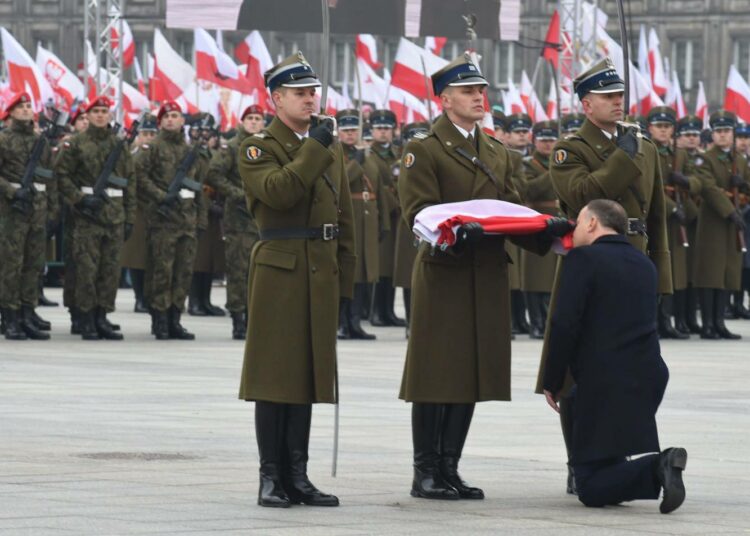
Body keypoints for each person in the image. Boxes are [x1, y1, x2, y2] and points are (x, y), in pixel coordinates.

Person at [398, 53, 570, 501]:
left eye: (481, 90)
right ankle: (426, 471)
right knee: (437, 373)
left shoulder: (496, 150)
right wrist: (456, 232)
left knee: (472, 371)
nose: (479, 97)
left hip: (488, 273)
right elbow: (417, 214)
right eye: (469, 91)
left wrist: (544, 231)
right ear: (444, 98)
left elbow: (509, 212)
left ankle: (450, 467)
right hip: (447, 273)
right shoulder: (425, 148)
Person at [536, 58, 672, 496]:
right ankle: (581, 461)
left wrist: (661, 279)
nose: (618, 103)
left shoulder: (643, 145)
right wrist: (622, 158)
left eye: (620, 96)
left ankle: (616, 452)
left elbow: (656, 217)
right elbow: (581, 197)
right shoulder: (570, 147)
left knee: (634, 366)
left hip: (634, 263)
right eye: (608, 97)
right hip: (592, 261)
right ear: (586, 103)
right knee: (581, 366)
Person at [237, 52, 356, 508]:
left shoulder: (329, 145)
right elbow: (279, 192)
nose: (310, 100)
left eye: (313, 92)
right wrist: (314, 147)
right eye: (300, 93)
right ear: (276, 98)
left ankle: (298, 475)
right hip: (280, 268)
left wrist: (346, 281)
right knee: (274, 377)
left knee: (306, 375)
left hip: (320, 268)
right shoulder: (257, 146)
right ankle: (271, 475)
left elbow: (341, 213)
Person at [543, 199, 687, 514]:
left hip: (604, 380)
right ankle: (658, 468)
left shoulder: (583, 259)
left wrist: (552, 380)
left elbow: (564, 324)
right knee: (605, 466)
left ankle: (660, 465)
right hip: (646, 374)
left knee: (590, 487)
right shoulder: (643, 263)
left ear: (593, 223)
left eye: (579, 222)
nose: (575, 229)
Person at [56, 96, 135, 340]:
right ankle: (86, 317)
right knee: (87, 271)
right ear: (88, 116)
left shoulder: (118, 146)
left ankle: (102, 315)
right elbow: (62, 176)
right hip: (87, 216)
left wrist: (129, 217)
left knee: (109, 271)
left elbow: (129, 183)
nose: (100, 115)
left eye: (104, 111)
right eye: (96, 111)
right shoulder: (77, 144)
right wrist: (79, 199)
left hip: (114, 215)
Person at [136, 101, 209, 340]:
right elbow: (140, 177)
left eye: (175, 115)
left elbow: (199, 187)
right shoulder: (153, 148)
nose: (170, 120)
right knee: (162, 271)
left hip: (187, 220)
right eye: (166, 116)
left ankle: (175, 318)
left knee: (183, 272)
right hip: (163, 221)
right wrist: (161, 196)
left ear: (182, 121)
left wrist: (200, 219)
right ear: (160, 121)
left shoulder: (190, 151)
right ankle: (160, 320)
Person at [0, 92, 57, 340]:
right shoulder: (3, 140)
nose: (25, 110)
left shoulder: (39, 141)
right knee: (11, 266)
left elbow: (48, 175)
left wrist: (51, 209)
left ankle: (26, 312)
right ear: (10, 113)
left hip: (36, 209)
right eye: (20, 107)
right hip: (11, 211)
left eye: (27, 106)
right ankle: (10, 317)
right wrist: (12, 191)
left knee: (33, 265)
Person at [205, 105, 261, 340]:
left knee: (258, 273)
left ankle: (254, 318)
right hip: (238, 218)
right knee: (239, 271)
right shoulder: (233, 147)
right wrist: (237, 194)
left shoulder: (268, 146)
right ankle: (238, 319)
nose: (254, 122)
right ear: (243, 121)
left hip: (261, 219)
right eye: (250, 118)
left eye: (258, 119)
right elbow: (214, 174)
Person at [693, 111, 750, 339]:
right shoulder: (705, 158)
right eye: (718, 132)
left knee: (727, 273)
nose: (723, 136)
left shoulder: (739, 160)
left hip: (732, 225)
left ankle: (719, 323)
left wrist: (743, 183)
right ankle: (708, 324)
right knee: (711, 274)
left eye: (727, 131)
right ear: (713, 134)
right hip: (714, 223)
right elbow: (708, 187)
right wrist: (729, 211)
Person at [647, 107, 702, 339]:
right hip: (656, 218)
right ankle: (655, 322)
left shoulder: (680, 155)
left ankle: (668, 320)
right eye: (659, 126)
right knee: (656, 270)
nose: (663, 130)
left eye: (667, 126)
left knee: (675, 272)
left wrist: (687, 182)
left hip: (677, 222)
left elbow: (698, 181)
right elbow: (648, 184)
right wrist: (671, 207)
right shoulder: (646, 151)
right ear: (650, 128)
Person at [335, 108, 382, 340]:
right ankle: (342, 323)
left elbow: (379, 189)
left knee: (364, 273)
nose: (351, 134)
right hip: (349, 217)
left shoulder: (368, 156)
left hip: (368, 220)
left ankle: (356, 322)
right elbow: (339, 182)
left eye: (354, 130)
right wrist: (356, 162)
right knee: (349, 274)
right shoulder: (334, 154)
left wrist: (382, 224)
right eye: (346, 131)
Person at [363, 109, 406, 328]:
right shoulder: (368, 155)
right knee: (380, 267)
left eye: (387, 129)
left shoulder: (400, 154)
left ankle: (389, 311)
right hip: (381, 214)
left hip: (400, 216)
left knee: (392, 267)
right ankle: (376, 312)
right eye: (379, 129)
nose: (383, 133)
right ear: (372, 130)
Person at [521, 120, 562, 339]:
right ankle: (535, 321)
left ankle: (549, 320)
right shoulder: (527, 163)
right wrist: (554, 171)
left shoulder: (563, 162)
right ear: (534, 140)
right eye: (543, 140)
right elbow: (530, 190)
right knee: (535, 276)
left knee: (553, 276)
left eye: (551, 140)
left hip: (559, 222)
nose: (548, 145)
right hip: (537, 222)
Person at [121, 115, 158, 314]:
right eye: (145, 134)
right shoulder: (133, 157)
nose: (148, 138)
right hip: (139, 210)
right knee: (137, 257)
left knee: (155, 257)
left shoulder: (161, 154)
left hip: (159, 211)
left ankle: (151, 297)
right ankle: (140, 298)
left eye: (152, 134)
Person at [675, 115, 706, 333]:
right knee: (680, 272)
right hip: (680, 218)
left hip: (696, 219)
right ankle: (680, 319)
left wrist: (687, 182)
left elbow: (698, 183)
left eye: (695, 135)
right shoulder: (679, 157)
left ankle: (690, 318)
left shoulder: (701, 159)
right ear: (679, 138)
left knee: (694, 271)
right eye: (687, 135)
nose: (692, 139)